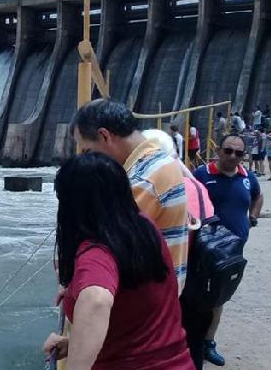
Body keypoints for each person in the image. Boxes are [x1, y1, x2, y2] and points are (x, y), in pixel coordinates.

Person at [32, 152, 207, 370]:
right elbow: (134, 306)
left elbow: (98, 301)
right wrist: (72, 343)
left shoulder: (96, 252)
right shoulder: (142, 228)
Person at [72, 99, 190, 293]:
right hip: (161, 299)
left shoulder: (142, 181)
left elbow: (105, 243)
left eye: (88, 151)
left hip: (143, 305)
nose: (88, 159)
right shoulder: (159, 160)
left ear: (104, 136)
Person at [143, 129, 216, 370]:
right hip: (203, 279)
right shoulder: (196, 185)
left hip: (178, 283)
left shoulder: (161, 186)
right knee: (193, 349)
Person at [192, 134, 264, 368]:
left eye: (239, 153)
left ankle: (207, 343)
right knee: (194, 295)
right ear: (219, 150)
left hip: (232, 252)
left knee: (219, 297)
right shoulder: (202, 175)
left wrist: (252, 217)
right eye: (228, 150)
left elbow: (258, 196)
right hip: (204, 250)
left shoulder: (247, 177)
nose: (233, 156)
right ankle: (187, 342)